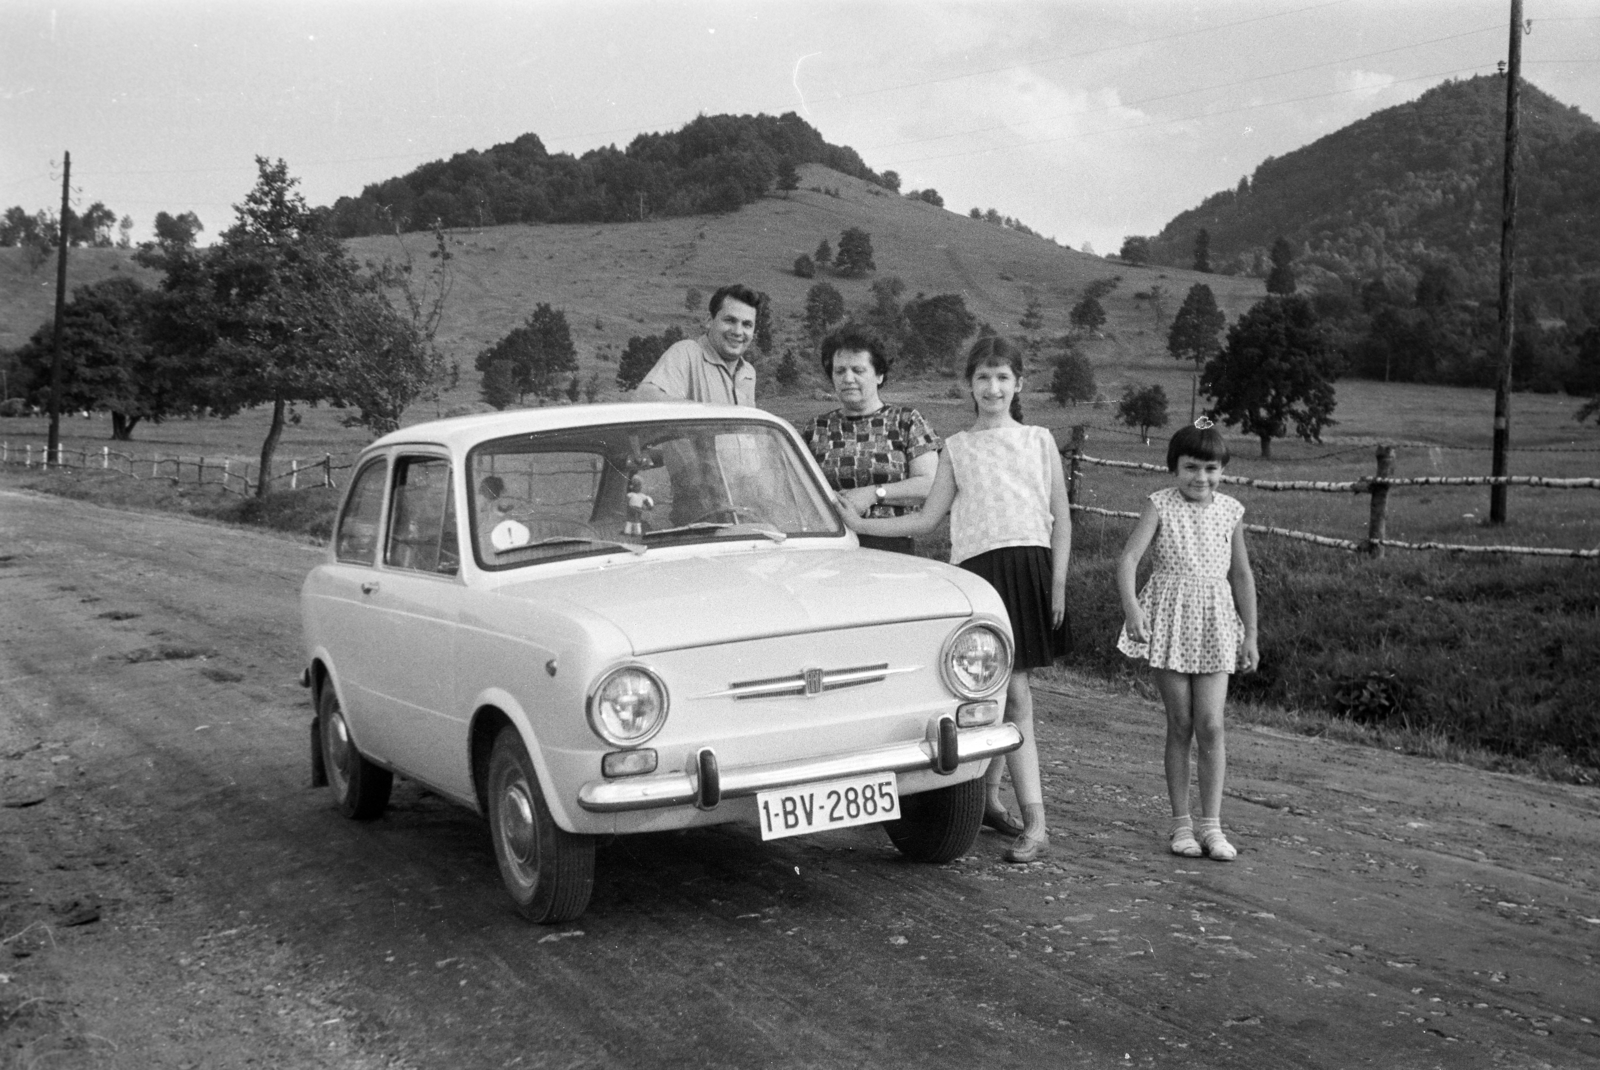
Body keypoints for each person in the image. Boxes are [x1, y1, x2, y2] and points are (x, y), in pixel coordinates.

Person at [837, 336, 1071, 863]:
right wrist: (856, 520)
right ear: (970, 384)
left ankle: (1036, 823)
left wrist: (1057, 584)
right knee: (993, 694)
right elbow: (927, 518)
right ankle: (991, 800)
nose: (993, 388)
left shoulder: (1039, 439)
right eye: (983, 378)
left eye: (1003, 378)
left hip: (1029, 569)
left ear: (1018, 385)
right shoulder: (957, 447)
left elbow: (1061, 519)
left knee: (1015, 696)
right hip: (979, 576)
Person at [1115, 417, 1259, 863]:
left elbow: (1241, 575)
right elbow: (1128, 559)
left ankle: (1212, 827)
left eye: (1211, 469)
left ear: (1222, 471)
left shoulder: (1231, 510)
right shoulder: (1160, 504)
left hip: (1216, 621)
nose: (1202, 478)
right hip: (1170, 619)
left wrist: (1250, 634)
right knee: (1180, 724)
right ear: (1174, 468)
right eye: (1192, 468)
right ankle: (1181, 825)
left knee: (1211, 725)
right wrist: (1133, 609)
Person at [800, 328, 941, 554]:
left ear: (879, 375)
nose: (848, 379)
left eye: (858, 370)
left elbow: (928, 484)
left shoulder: (907, 421)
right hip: (829, 548)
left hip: (892, 546)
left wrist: (874, 493)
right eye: (839, 371)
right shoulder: (816, 428)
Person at [634, 284, 761, 405]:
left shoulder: (748, 373)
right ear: (709, 321)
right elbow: (644, 398)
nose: (738, 332)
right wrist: (708, 414)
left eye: (747, 325)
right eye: (730, 320)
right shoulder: (686, 354)